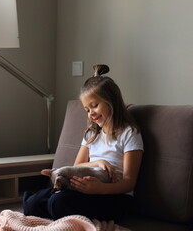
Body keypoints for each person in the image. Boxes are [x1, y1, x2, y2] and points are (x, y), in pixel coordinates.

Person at [23, 64, 143, 222]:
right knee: (32, 204)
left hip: (115, 196)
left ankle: (56, 210)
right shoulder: (92, 134)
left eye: (95, 106)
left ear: (111, 101)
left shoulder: (129, 133)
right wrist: (98, 163)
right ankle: (51, 207)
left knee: (58, 202)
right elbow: (77, 165)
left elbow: (129, 183)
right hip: (86, 188)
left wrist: (100, 189)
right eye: (87, 109)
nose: (91, 113)